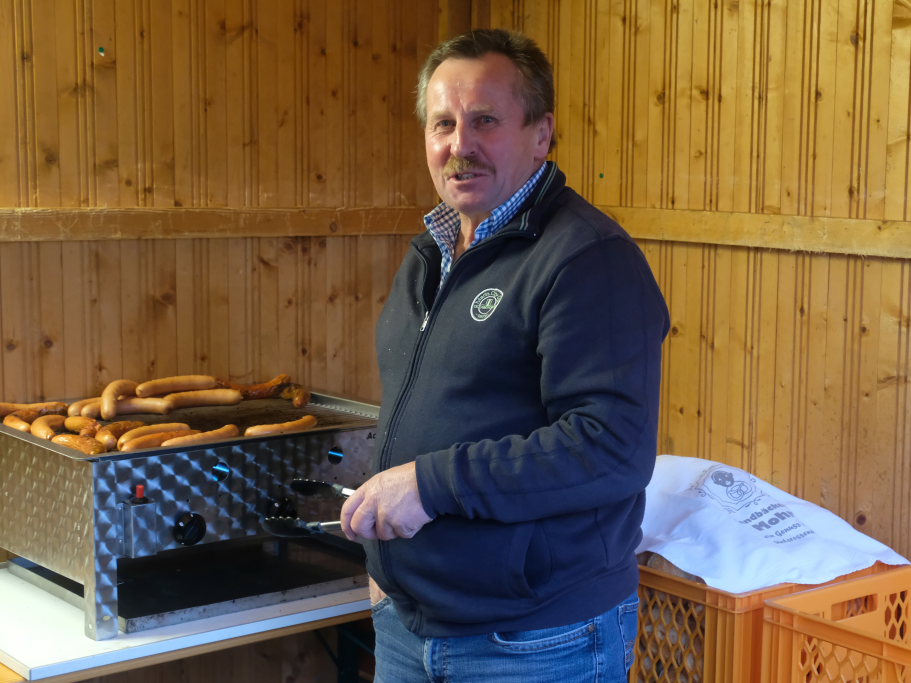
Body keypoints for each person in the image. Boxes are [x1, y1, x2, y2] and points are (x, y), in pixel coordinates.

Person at [340, 28, 669, 682]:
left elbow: (610, 446)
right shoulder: (431, 254)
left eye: (484, 121)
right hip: (409, 625)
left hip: (533, 640)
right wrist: (387, 573)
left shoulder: (588, 259)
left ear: (541, 134)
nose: (459, 145)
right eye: (442, 124)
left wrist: (429, 484)